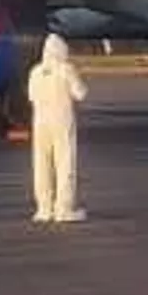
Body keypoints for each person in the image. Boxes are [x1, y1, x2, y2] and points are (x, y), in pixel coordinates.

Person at [27, 33, 89, 223]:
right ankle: (64, 208)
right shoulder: (66, 69)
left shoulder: (35, 71)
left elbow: (31, 97)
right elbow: (80, 94)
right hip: (61, 121)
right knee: (65, 163)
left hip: (40, 122)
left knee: (41, 164)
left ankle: (43, 209)